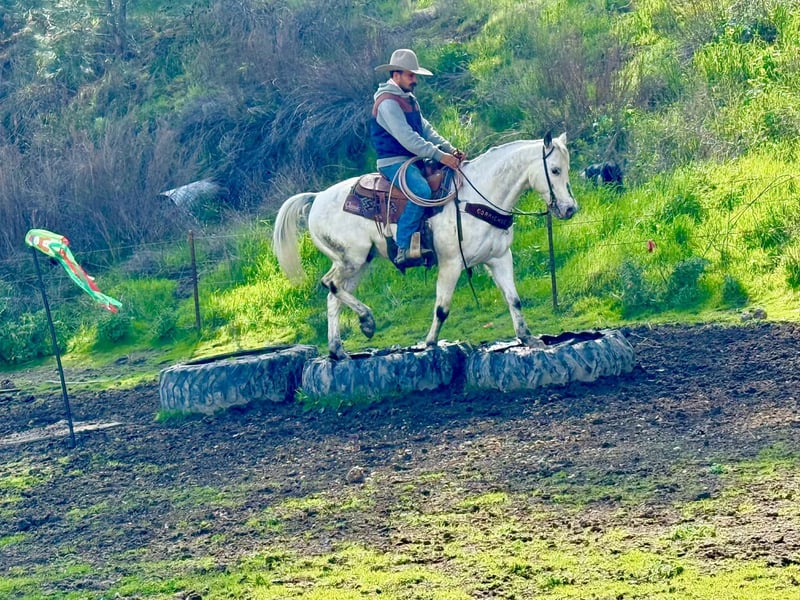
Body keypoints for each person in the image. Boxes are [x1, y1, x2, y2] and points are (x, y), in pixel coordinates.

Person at [371, 48, 465, 268]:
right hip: (393, 162)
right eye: (411, 75)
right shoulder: (387, 102)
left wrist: (450, 150)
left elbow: (426, 130)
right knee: (422, 191)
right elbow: (408, 138)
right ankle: (402, 246)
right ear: (396, 75)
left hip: (412, 159)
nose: (415, 80)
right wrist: (440, 156)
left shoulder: (408, 99)